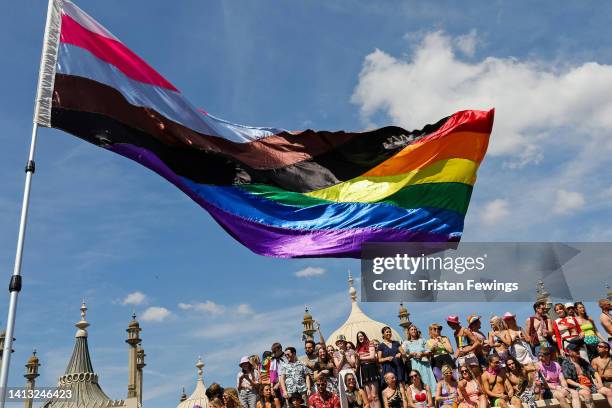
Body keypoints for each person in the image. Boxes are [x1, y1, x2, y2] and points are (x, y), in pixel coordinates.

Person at [561, 342, 612, 408]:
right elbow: (568, 379)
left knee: (608, 391)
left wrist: (600, 383)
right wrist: (580, 385)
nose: (578, 351)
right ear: (569, 352)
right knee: (586, 393)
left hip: (590, 385)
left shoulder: (583, 361)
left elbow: (595, 372)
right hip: (577, 387)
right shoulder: (566, 363)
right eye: (576, 350)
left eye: (578, 349)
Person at [402, 324, 436, 393]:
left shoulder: (422, 340)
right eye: (412, 329)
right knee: (418, 379)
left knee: (428, 379)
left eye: (415, 329)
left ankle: (432, 397)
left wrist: (422, 354)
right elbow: (403, 354)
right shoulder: (406, 343)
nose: (414, 331)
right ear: (408, 332)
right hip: (415, 364)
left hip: (425, 364)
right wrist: (411, 354)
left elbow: (429, 351)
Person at [355, 331, 380, 408]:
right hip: (363, 370)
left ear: (364, 336)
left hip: (371, 368)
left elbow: (372, 356)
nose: (360, 338)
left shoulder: (370, 344)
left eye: (361, 336)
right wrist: (363, 356)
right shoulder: (358, 348)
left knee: (374, 395)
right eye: (359, 337)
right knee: (369, 397)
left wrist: (361, 357)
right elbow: (357, 361)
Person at [334, 335, 358, 408]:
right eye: (338, 342)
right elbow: (338, 367)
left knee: (354, 390)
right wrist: (342, 357)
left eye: (341, 341)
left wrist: (346, 355)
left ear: (344, 342)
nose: (340, 343)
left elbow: (353, 363)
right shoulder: (335, 353)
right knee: (343, 393)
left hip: (350, 371)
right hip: (342, 373)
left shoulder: (350, 351)